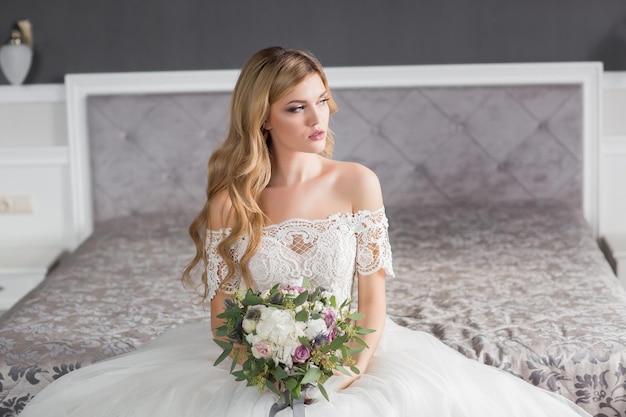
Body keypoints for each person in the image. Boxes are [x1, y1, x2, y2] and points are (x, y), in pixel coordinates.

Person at [19, 46, 591, 417]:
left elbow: (372, 300)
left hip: (353, 352)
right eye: (297, 108)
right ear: (262, 118)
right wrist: (266, 371)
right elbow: (223, 316)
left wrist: (344, 373)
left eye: (321, 102)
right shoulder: (229, 201)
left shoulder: (357, 183)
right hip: (255, 359)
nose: (319, 120)